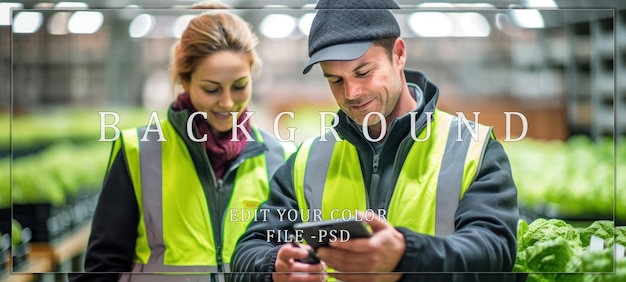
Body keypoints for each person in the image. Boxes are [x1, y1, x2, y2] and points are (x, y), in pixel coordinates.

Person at [230, 0, 522, 281]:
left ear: (398, 53)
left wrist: (407, 255)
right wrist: (274, 266)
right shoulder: (306, 162)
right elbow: (247, 250)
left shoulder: (470, 149)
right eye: (335, 80)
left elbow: (493, 250)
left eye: (363, 72)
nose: (352, 92)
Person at [69, 2, 295, 282]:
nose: (227, 102)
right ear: (185, 80)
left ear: (253, 74)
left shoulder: (281, 156)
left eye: (239, 86)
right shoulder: (138, 151)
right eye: (211, 89)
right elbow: (103, 268)